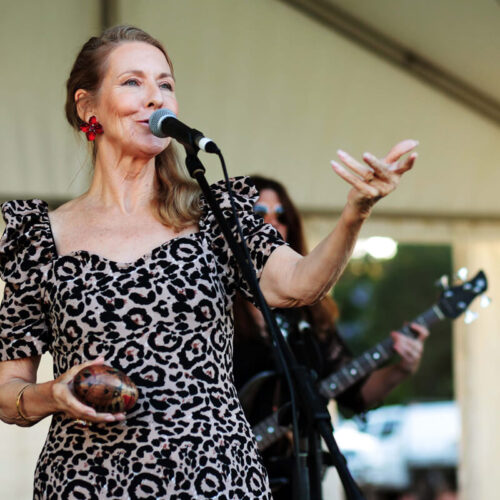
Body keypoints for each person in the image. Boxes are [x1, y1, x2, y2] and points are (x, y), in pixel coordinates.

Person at [0, 25, 418, 500]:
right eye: (132, 82)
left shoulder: (214, 215)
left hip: (215, 476)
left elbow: (300, 284)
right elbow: (8, 390)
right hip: (86, 483)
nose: (155, 97)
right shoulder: (38, 237)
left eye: (166, 84)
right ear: (87, 106)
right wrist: (53, 393)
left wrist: (355, 213)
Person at [233, 176, 429, 498]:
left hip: (298, 480)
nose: (272, 223)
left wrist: (401, 369)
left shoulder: (310, 313)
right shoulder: (213, 305)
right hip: (230, 478)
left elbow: (357, 392)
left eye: (281, 215)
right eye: (258, 213)